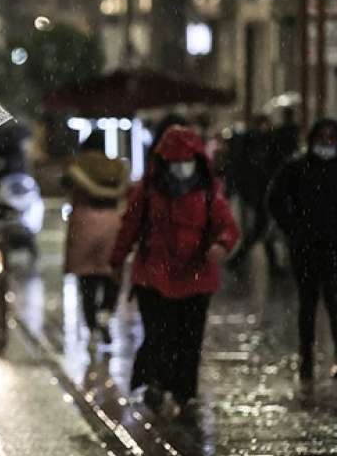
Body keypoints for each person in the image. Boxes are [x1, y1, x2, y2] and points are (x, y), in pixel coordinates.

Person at [109, 126, 239, 415]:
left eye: (186, 161)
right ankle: (157, 381)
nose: (181, 168)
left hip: (196, 278)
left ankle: (184, 394)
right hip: (154, 278)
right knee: (159, 336)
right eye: (175, 161)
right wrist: (117, 261)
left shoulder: (208, 192)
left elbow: (227, 226)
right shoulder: (148, 191)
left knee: (189, 339)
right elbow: (130, 226)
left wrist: (220, 245)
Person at [267, 118, 337, 381]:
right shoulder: (297, 166)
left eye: (331, 137)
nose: (327, 142)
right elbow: (275, 198)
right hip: (305, 247)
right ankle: (306, 354)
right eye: (322, 137)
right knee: (308, 303)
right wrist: (292, 227)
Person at [62, 132, 127, 345]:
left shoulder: (76, 165)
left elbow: (67, 185)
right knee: (111, 274)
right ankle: (105, 314)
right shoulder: (117, 166)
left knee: (86, 278)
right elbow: (124, 192)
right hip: (111, 223)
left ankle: (91, 327)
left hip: (83, 223)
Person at [227, 114, 285, 274]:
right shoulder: (255, 147)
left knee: (262, 232)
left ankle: (240, 260)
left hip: (262, 196)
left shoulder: (260, 147)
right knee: (261, 231)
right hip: (261, 197)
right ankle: (238, 260)